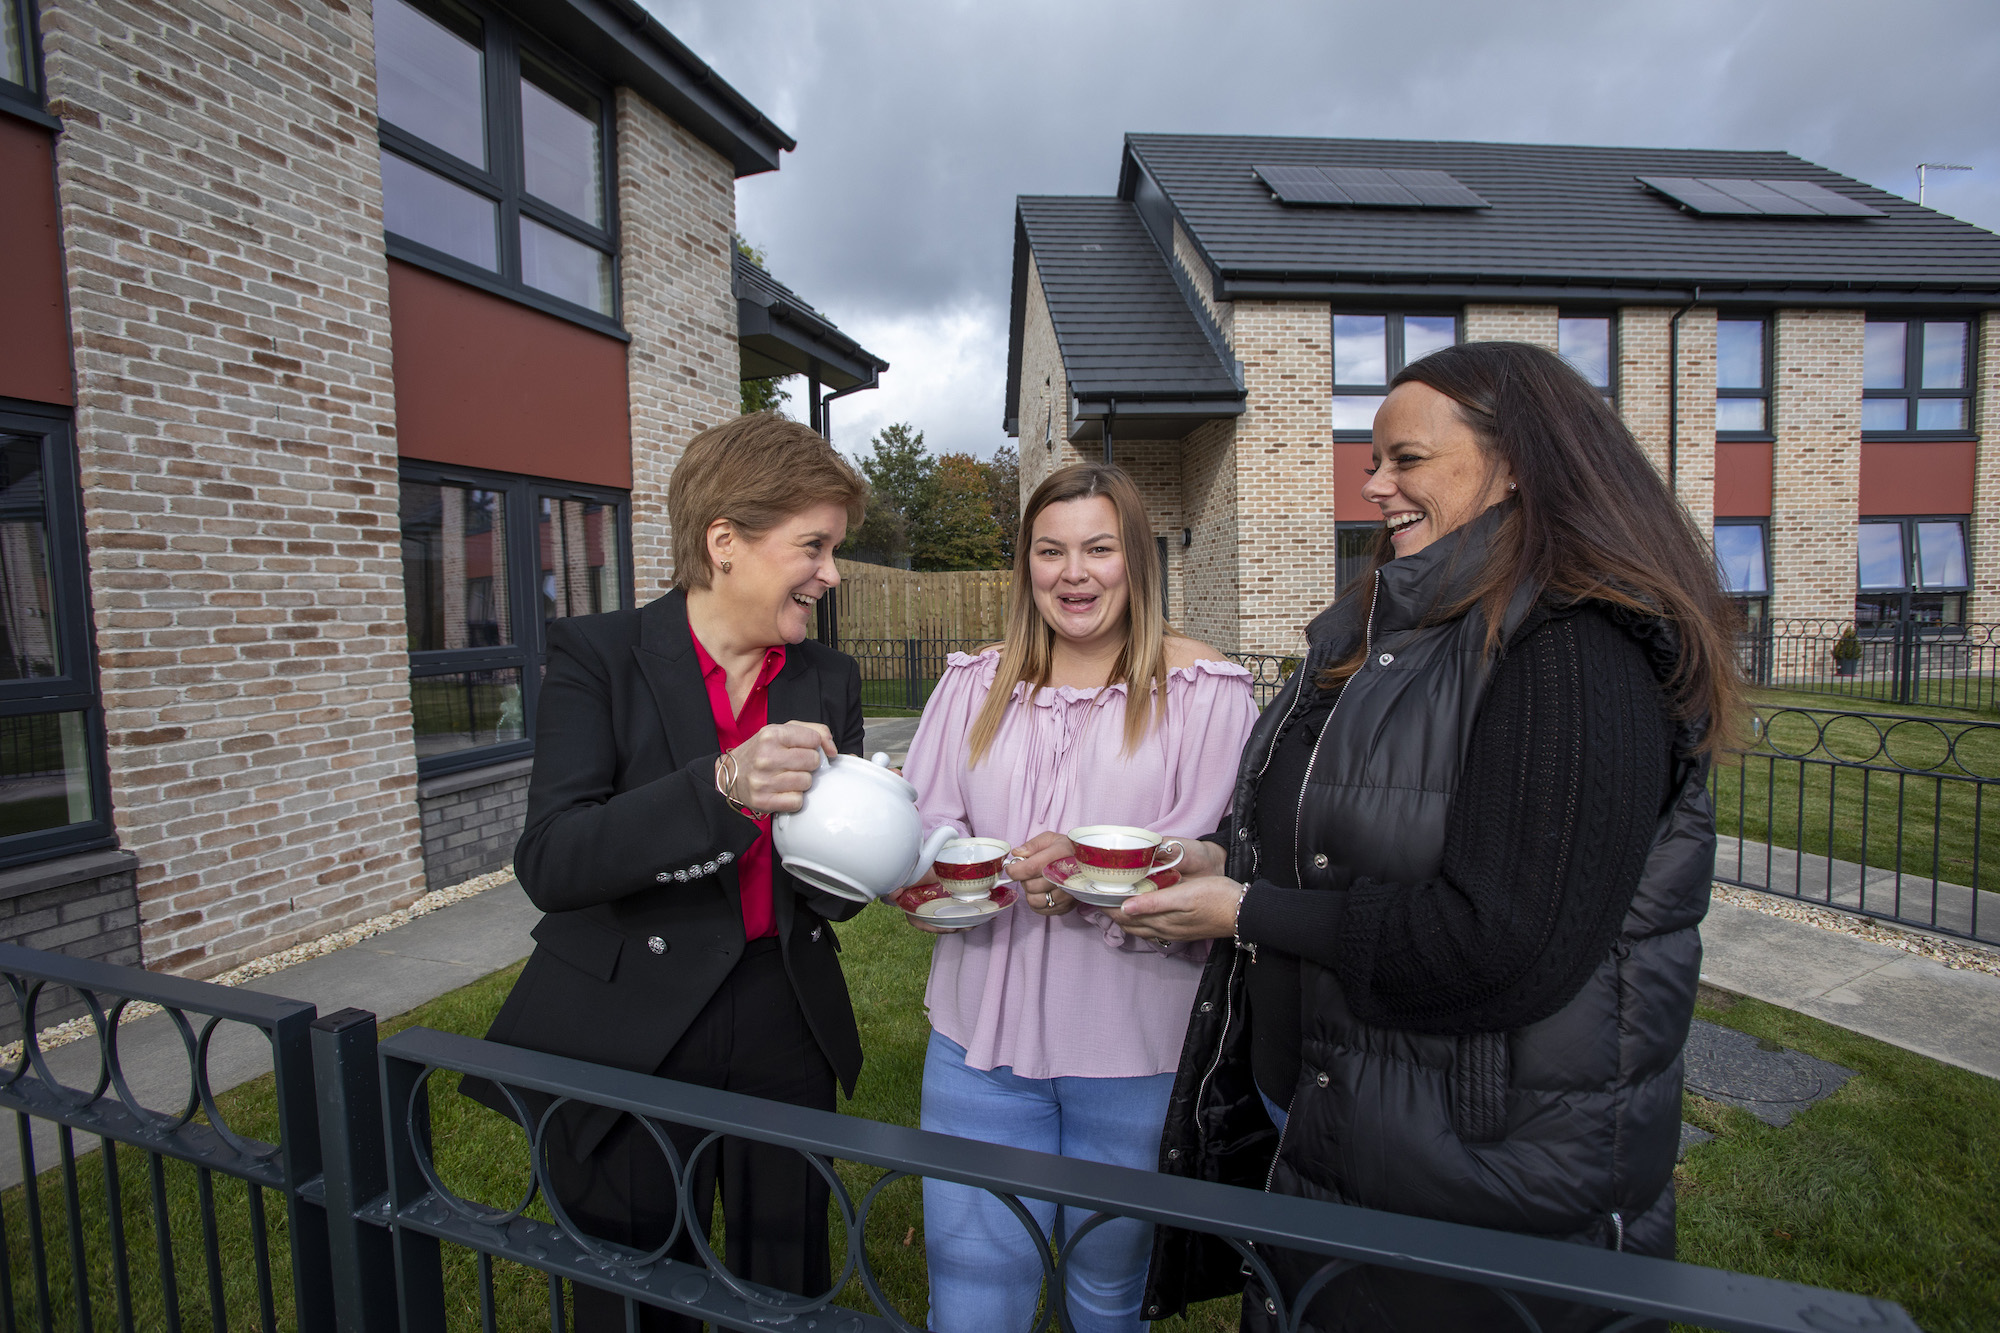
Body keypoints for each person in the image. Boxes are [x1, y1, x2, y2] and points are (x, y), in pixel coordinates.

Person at [1122, 341, 1745, 1332]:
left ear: (1517, 462)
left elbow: (1500, 939)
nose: (1372, 484)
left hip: (1477, 1168)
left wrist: (1246, 910)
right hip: (1331, 1112)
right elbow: (1349, 834)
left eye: (1404, 459)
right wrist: (1227, 860)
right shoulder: (1386, 629)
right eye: (1373, 461)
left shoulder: (1577, 647)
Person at [463, 413, 870, 1332]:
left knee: (783, 1287)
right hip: (628, 1019)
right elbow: (552, 857)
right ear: (725, 541)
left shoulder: (829, 678)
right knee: (632, 1288)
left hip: (782, 1016)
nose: (831, 574)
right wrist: (722, 786)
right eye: (814, 545)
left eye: (833, 549)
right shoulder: (597, 656)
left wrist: (887, 866)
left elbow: (825, 887)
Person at [898, 463, 1258, 1333]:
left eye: (1099, 549)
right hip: (977, 1043)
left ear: (1136, 558)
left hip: (1136, 1048)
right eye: (1050, 550)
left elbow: (1229, 853)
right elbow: (925, 823)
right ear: (1026, 562)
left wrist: (1092, 878)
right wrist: (932, 871)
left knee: (1107, 1294)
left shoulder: (1206, 691)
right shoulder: (972, 683)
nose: (1074, 573)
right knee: (971, 1294)